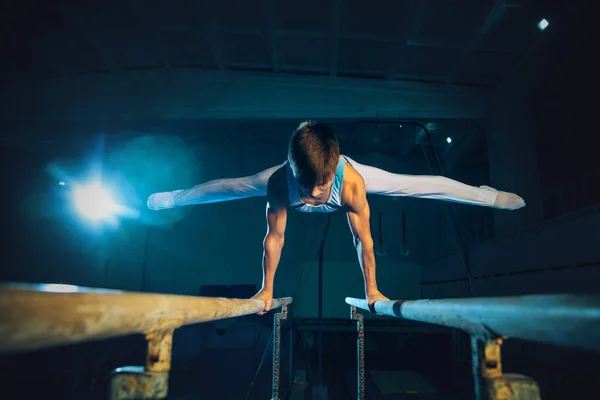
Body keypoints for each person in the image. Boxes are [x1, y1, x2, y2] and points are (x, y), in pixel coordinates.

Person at [147, 121, 526, 313]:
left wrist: (372, 291)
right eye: (307, 185)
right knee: (229, 187)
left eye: (320, 185)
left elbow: (364, 240)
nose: (313, 195)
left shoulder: (351, 185)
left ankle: (485, 197)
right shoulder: (281, 183)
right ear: (294, 171)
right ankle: (175, 198)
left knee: (418, 184)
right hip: (282, 181)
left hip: (350, 175)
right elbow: (274, 237)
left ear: (331, 172)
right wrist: (265, 289)